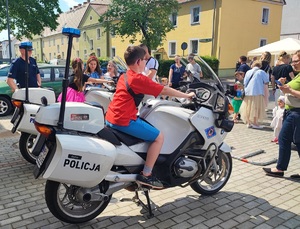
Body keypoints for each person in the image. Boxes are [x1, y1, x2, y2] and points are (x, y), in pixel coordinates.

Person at [105, 46, 195, 189]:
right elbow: (164, 89)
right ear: (139, 61)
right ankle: (146, 175)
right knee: (158, 137)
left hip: (110, 117)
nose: (146, 64)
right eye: (145, 61)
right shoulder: (138, 78)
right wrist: (187, 96)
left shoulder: (125, 75)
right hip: (123, 119)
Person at [263, 50, 300, 178]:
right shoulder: (297, 75)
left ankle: (280, 168)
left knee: (284, 138)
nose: (293, 64)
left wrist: (289, 89)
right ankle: (280, 168)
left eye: (296, 61)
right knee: (297, 142)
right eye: (292, 61)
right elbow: (290, 92)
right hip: (291, 111)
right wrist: (283, 85)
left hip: (296, 113)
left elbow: (295, 93)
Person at [239, 60, 269, 129]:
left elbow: (245, 82)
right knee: (256, 108)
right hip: (258, 91)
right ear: (260, 65)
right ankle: (255, 123)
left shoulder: (248, 72)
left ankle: (249, 122)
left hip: (248, 92)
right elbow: (266, 82)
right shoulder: (261, 72)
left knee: (248, 108)